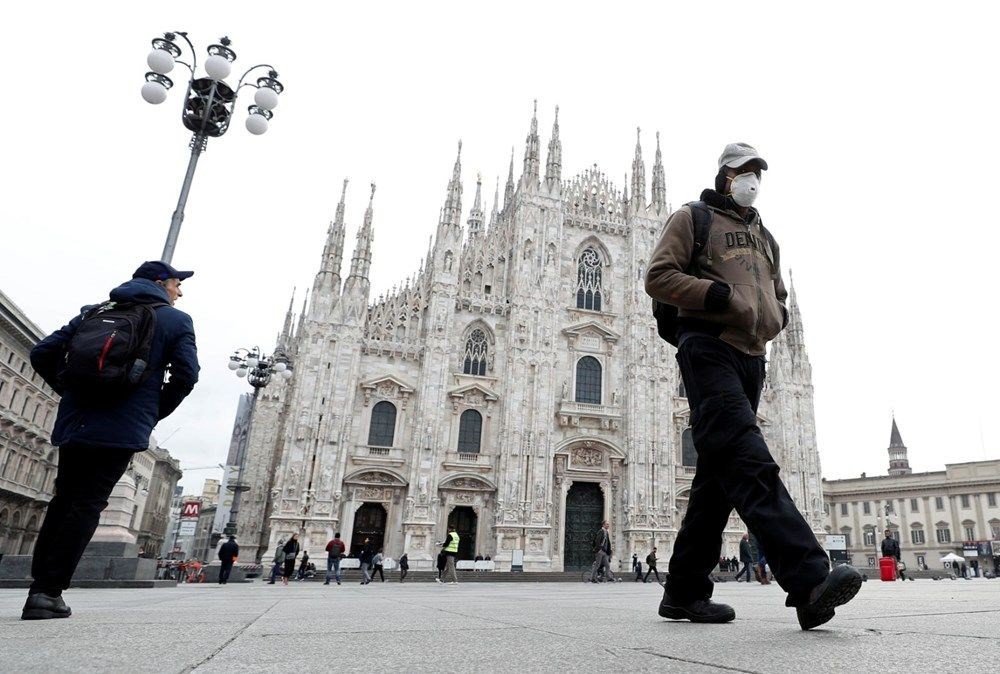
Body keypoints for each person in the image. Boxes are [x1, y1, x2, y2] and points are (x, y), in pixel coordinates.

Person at [645, 143, 862, 630]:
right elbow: (658, 277)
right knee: (747, 457)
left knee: (716, 480)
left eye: (757, 173)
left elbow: (776, 293)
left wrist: (774, 319)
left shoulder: (764, 236)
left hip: (751, 358)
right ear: (725, 175)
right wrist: (712, 293)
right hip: (708, 348)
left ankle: (683, 592)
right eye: (743, 172)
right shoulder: (691, 218)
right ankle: (809, 579)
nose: (752, 180)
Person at [22, 261, 200, 620]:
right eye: (177, 284)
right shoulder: (175, 321)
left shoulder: (97, 311)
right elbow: (186, 375)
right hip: (121, 428)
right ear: (160, 283)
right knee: (87, 504)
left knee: (63, 501)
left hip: (77, 422)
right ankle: (48, 592)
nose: (180, 291)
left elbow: (42, 353)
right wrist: (151, 410)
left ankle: (39, 588)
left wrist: (72, 393)